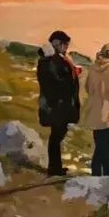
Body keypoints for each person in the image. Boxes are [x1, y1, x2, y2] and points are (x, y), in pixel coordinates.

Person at [36, 30, 81, 177]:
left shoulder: (53, 59)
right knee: (57, 136)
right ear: (57, 43)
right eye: (65, 44)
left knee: (57, 135)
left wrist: (73, 72)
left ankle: (55, 167)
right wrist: (70, 77)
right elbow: (56, 82)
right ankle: (54, 168)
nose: (66, 47)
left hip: (59, 105)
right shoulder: (50, 60)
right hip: (57, 105)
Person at [80, 42, 109, 177]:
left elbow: (88, 87)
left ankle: (96, 175)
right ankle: (107, 178)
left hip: (95, 112)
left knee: (99, 147)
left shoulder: (93, 67)